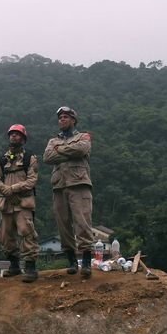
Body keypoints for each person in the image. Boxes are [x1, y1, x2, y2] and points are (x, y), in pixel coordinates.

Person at [43, 106, 94, 278]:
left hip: (79, 184)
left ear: (73, 120)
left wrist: (60, 150)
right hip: (59, 186)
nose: (62, 120)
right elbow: (47, 157)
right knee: (63, 225)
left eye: (65, 117)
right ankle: (72, 261)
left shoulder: (83, 136)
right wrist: (68, 152)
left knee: (82, 222)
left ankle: (86, 261)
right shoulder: (52, 141)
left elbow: (81, 149)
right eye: (60, 117)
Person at [0, 124, 39, 282]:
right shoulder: (2, 159)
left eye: (17, 134)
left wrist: (12, 189)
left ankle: (31, 268)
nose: (14, 136)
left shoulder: (29, 158)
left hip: (23, 202)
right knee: (5, 235)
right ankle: (14, 266)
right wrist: (6, 191)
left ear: (23, 139)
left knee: (27, 232)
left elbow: (31, 181)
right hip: (6, 204)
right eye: (11, 134)